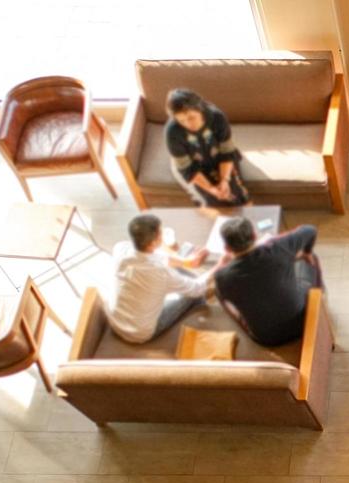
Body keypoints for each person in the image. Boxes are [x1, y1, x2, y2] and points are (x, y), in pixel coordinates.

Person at [213, 217, 321, 348]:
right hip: (303, 322)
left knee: (220, 294)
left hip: (266, 339)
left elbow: (223, 297)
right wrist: (306, 252)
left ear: (227, 248)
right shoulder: (278, 246)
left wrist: (221, 264)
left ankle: (242, 323)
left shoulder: (221, 276)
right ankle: (320, 302)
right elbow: (311, 230)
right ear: (254, 235)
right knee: (310, 258)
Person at [107, 213, 210, 344]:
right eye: (161, 233)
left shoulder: (120, 248)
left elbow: (154, 256)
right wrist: (220, 265)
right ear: (154, 242)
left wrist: (186, 262)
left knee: (175, 276)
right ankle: (200, 313)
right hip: (140, 333)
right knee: (195, 295)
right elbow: (197, 289)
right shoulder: (160, 272)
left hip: (116, 322)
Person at [165, 88, 248, 207]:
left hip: (219, 156)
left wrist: (224, 180)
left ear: (201, 109)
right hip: (193, 165)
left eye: (191, 117)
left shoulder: (216, 117)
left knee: (235, 192)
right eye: (182, 121)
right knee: (214, 200)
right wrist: (212, 189)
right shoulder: (172, 132)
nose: (188, 124)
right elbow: (187, 168)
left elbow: (226, 151)